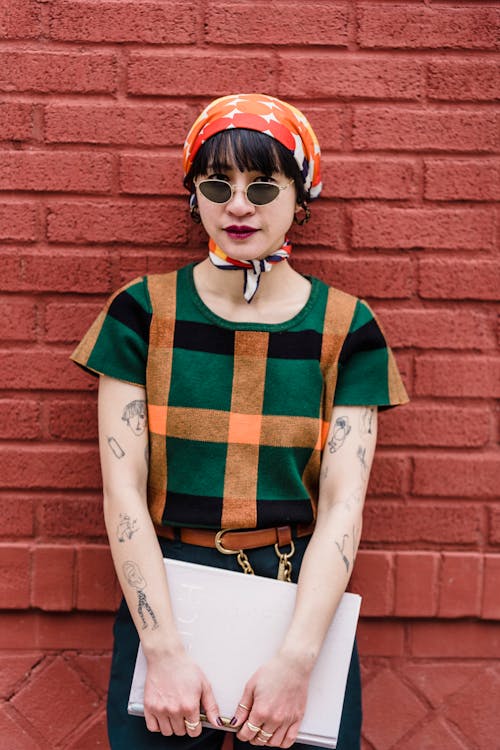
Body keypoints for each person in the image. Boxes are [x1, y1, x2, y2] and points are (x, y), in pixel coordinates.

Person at [71, 93, 408, 750]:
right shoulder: (142, 314)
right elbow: (124, 495)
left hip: (297, 598)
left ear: (299, 197)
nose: (239, 205)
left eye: (263, 186)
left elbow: (343, 506)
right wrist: (163, 652)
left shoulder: (346, 329)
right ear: (193, 195)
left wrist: (295, 663)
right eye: (217, 185)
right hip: (167, 593)